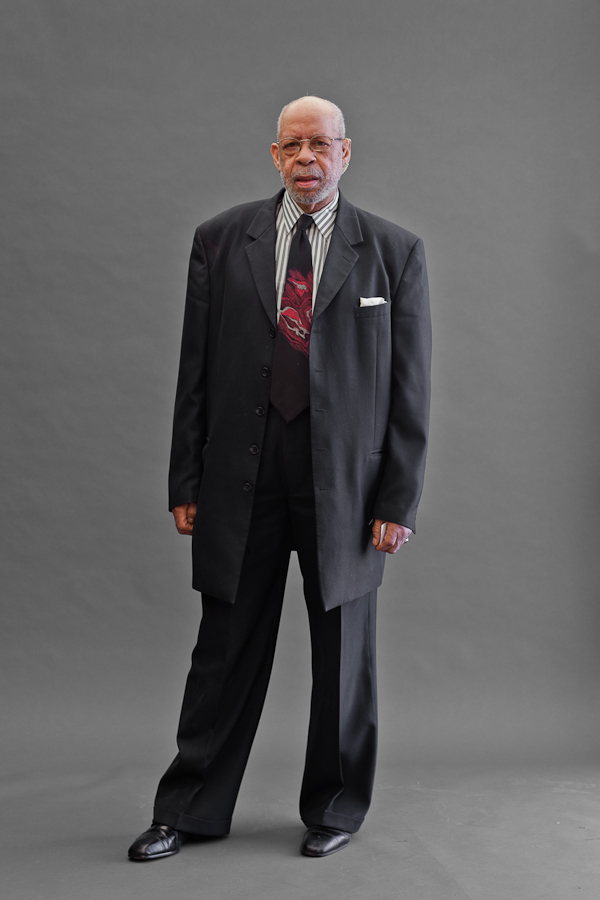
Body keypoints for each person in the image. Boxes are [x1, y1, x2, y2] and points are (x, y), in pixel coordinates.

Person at [128, 95, 431, 861]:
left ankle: (335, 808)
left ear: (345, 152)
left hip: (348, 488)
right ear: (274, 155)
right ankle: (189, 808)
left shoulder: (393, 252)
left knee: (345, 657)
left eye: (320, 145)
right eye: (293, 145)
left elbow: (410, 388)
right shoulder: (221, 240)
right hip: (242, 475)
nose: (307, 158)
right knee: (224, 649)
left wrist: (398, 498)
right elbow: (195, 369)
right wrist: (186, 480)